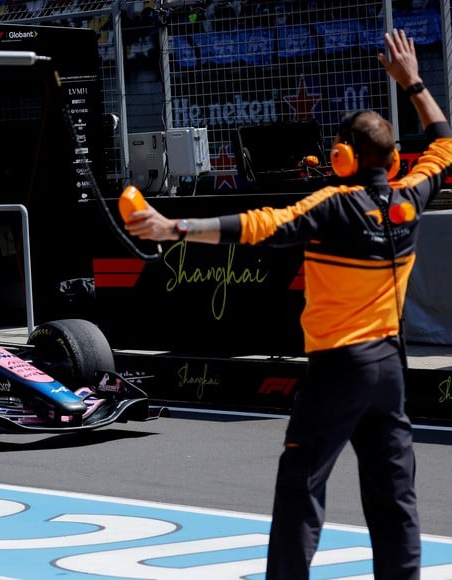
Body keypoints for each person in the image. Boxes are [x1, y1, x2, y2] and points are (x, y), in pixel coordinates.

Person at [125, 29, 452, 579]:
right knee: (394, 497)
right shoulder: (410, 198)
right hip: (389, 367)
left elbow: (256, 226)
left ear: (341, 158)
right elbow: (444, 143)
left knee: (302, 487)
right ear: (394, 161)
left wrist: (171, 226)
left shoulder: (331, 207)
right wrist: (414, 81)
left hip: (336, 369)